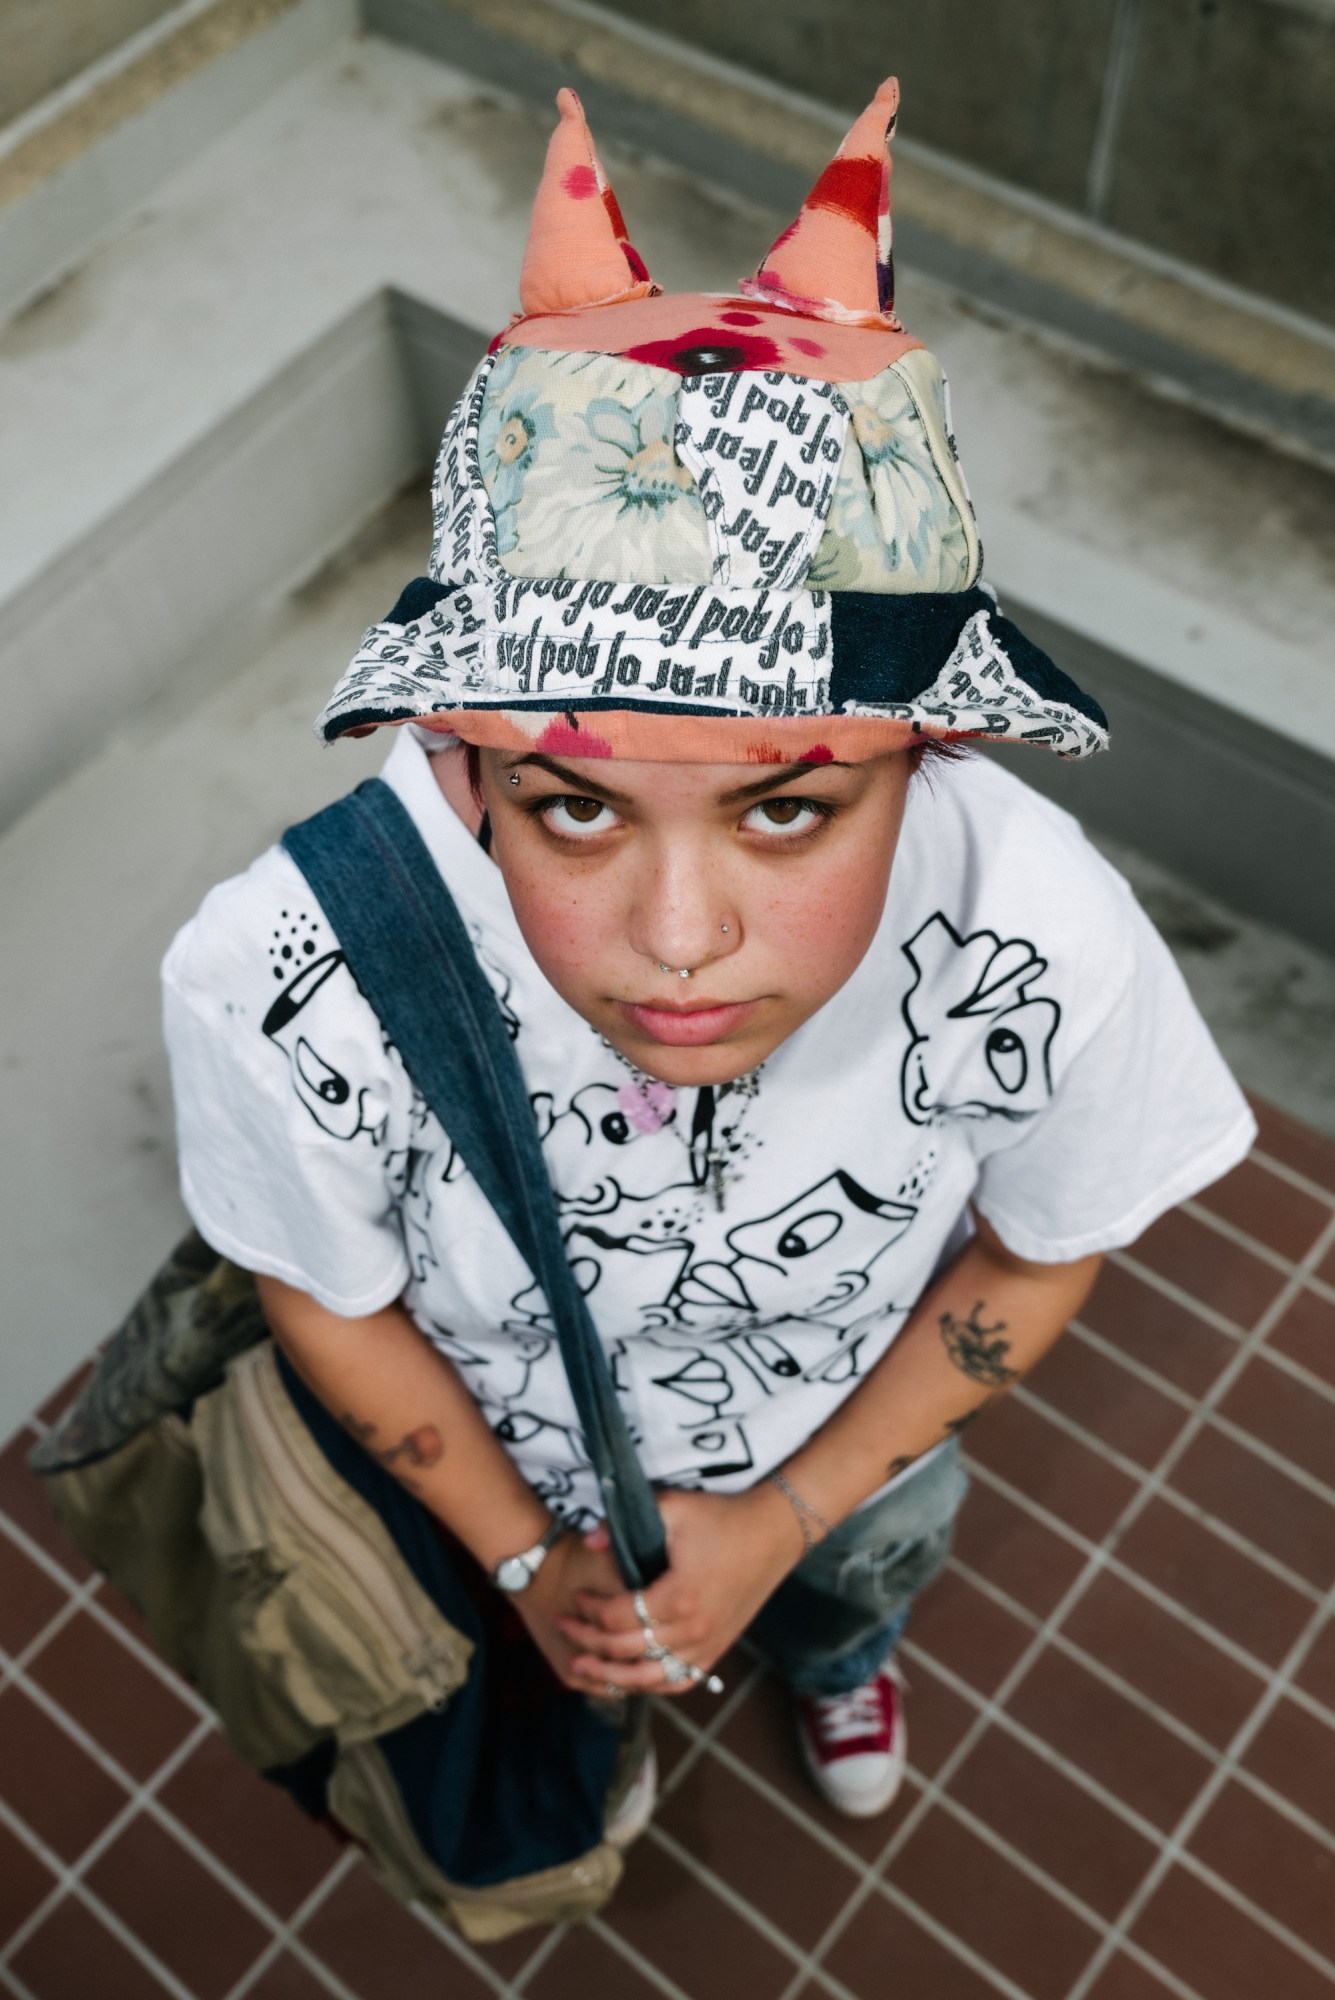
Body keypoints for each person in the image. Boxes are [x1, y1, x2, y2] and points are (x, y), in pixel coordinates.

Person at [161, 74, 1253, 1863]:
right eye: (571, 809)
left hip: (855, 1450)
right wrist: (528, 1566)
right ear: (460, 755)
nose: (680, 944)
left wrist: (794, 1520)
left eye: (791, 808)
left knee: (859, 1578)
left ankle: (841, 1656)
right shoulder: (289, 968)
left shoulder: (1038, 932)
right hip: (498, 1472)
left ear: (929, 751)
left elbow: (1046, 1241)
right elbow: (331, 1295)